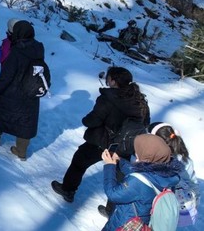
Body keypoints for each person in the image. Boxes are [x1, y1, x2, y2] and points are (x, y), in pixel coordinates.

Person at [52, 67, 151, 203]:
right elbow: (146, 123)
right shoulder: (140, 100)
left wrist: (86, 120)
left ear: (113, 81)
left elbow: (94, 120)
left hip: (102, 142)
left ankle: (68, 190)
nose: (107, 80)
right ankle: (112, 210)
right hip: (125, 145)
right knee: (118, 177)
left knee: (79, 162)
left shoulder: (108, 98)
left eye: (109, 78)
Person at [0, 20, 45, 160]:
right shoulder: (38, 48)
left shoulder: (16, 51)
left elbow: (6, 76)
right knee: (26, 121)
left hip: (13, 91)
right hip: (30, 92)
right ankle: (21, 151)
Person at [100, 134, 183, 231]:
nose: (136, 153)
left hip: (125, 224)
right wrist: (120, 161)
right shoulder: (169, 175)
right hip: (144, 222)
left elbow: (112, 194)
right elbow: (144, 175)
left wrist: (109, 166)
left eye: (138, 151)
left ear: (147, 157)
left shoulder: (137, 182)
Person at [146, 122, 199, 226]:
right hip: (179, 207)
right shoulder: (185, 160)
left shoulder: (155, 161)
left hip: (161, 207)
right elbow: (193, 182)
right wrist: (196, 199)